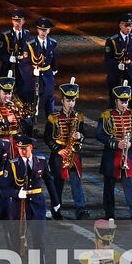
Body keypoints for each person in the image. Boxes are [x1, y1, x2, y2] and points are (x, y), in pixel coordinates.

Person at [96, 84, 132, 220]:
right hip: (111, 155)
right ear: (116, 101)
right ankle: (109, 213)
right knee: (109, 186)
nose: (124, 104)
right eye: (122, 102)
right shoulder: (106, 115)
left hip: (127, 155)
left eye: (126, 101)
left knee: (129, 184)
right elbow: (100, 135)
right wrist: (116, 143)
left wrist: (131, 143)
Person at [45, 79, 90, 219]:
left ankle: (80, 209)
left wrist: (80, 136)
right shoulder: (53, 117)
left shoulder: (79, 117)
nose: (71, 104)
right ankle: (56, 209)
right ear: (62, 100)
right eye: (68, 100)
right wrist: (58, 149)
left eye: (73, 101)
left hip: (73, 154)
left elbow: (84, 136)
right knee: (58, 182)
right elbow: (47, 138)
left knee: (76, 181)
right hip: (59, 154)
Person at [24, 17, 59, 120]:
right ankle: (31, 124)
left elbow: (53, 57)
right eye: (41, 30)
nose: (43, 32)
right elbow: (25, 62)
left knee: (49, 100)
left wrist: (54, 69)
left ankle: (51, 124)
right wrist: (31, 71)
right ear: (37, 30)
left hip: (47, 75)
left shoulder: (52, 43)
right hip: (34, 76)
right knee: (33, 102)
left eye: (45, 30)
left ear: (49, 30)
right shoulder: (30, 44)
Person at [103, 13, 132, 93]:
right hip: (116, 71)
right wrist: (117, 64)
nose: (128, 28)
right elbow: (107, 58)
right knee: (114, 94)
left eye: (130, 26)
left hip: (129, 69)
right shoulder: (112, 40)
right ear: (120, 25)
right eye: (126, 26)